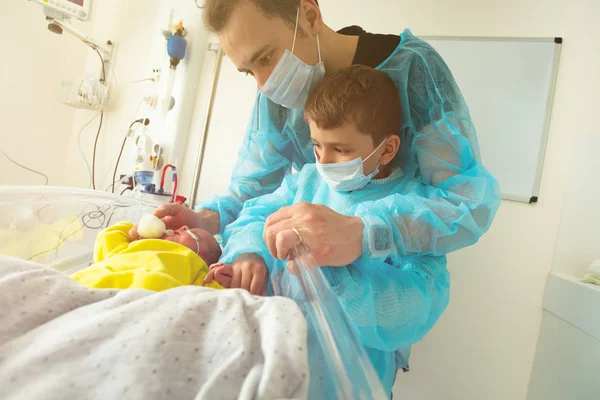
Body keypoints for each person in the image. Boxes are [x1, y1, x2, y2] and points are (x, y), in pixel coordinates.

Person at [129, 0, 500, 286]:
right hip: (295, 284)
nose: (263, 84)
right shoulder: (274, 98)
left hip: (384, 285)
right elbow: (252, 191)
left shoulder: (413, 72)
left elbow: (467, 203)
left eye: (266, 57)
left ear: (308, 15)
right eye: (248, 71)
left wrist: (366, 232)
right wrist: (204, 219)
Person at [204, 65, 450, 397]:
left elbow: (419, 303)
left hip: (347, 377)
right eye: (317, 145)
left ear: (387, 150)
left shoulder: (411, 210)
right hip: (278, 362)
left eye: (341, 149)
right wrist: (249, 255)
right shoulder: (307, 181)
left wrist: (336, 280)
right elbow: (256, 214)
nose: (325, 161)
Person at [73, 222, 229, 291]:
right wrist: (133, 230)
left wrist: (218, 277)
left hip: (147, 295)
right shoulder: (134, 246)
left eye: (194, 234)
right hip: (92, 283)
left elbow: (210, 294)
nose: (184, 227)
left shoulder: (196, 267)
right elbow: (105, 237)